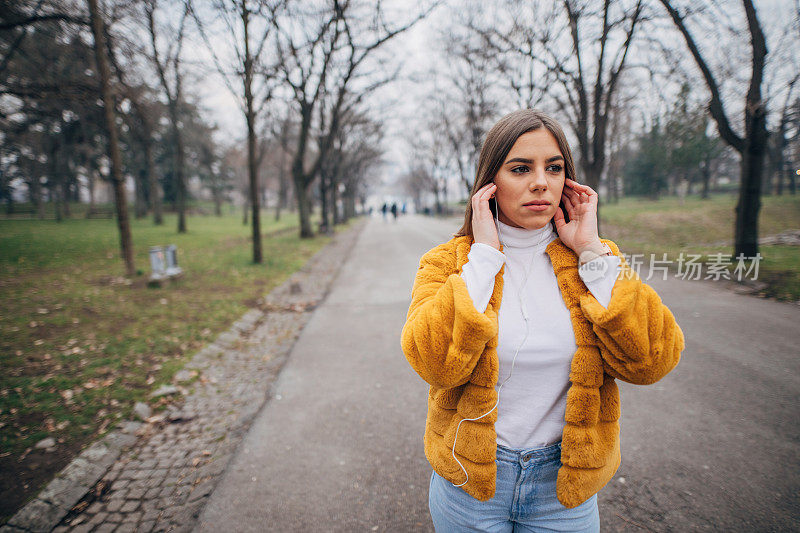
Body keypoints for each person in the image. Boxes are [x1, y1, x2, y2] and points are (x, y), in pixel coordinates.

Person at [400, 109, 685, 532]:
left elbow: (651, 362)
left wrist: (591, 253)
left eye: (554, 168)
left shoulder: (596, 259)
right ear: (489, 183)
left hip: (562, 488)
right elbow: (434, 364)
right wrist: (484, 258)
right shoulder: (449, 262)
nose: (540, 182)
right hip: (470, 484)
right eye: (520, 168)